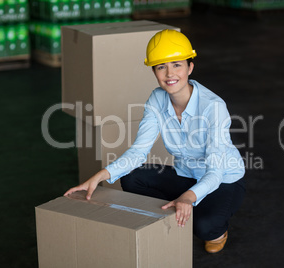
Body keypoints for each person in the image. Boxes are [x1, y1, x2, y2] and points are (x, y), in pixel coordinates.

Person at [64, 29, 246, 253]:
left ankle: (214, 228)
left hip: (223, 180)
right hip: (186, 175)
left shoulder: (213, 107)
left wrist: (189, 197)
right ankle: (175, 214)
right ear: (154, 71)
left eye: (177, 64)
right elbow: (138, 152)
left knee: (205, 226)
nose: (170, 73)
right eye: (161, 66)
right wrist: (100, 176)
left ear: (190, 67)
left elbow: (216, 171)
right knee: (133, 179)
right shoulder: (156, 99)